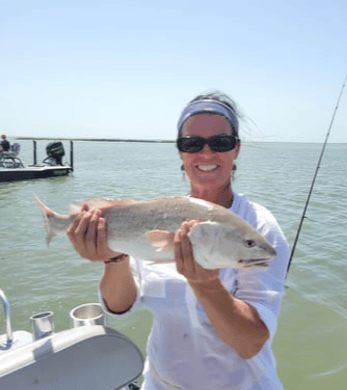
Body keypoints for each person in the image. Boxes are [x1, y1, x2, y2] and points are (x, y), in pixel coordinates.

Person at [66, 91, 289, 390]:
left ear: (236, 149)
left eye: (220, 142)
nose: (206, 153)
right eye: (192, 143)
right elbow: (119, 306)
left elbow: (250, 343)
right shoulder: (157, 214)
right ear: (181, 151)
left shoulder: (258, 226)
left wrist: (207, 285)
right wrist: (113, 256)